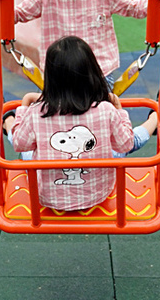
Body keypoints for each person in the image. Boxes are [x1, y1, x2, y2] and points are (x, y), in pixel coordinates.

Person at [0, 0, 160, 152]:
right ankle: (153, 121)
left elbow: (134, 8)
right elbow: (15, 15)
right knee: (56, 131)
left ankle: (8, 122)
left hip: (98, 74)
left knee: (98, 134)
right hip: (59, 74)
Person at [7, 36, 136, 212]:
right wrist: (119, 109)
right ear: (93, 72)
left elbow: (19, 144)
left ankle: (7, 121)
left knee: (28, 153)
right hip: (98, 193)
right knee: (115, 151)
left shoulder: (37, 112)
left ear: (50, 78)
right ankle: (154, 120)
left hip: (46, 195)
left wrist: (24, 106)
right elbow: (126, 144)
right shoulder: (106, 110)